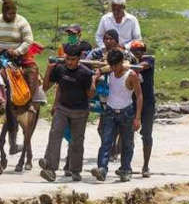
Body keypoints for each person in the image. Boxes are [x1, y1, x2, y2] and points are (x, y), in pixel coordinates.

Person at [39, 43, 95, 182]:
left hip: (80, 111)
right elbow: (45, 88)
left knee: (77, 141)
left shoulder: (85, 73)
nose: (69, 62)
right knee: (55, 135)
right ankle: (51, 169)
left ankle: (75, 170)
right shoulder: (59, 69)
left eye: (73, 59)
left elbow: (90, 95)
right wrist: (48, 70)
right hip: (62, 108)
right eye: (67, 59)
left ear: (79, 58)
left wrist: (94, 81)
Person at [90, 49, 143, 182]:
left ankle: (126, 169)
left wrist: (137, 118)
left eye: (115, 65)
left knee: (127, 143)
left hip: (126, 112)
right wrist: (97, 74)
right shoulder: (111, 70)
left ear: (121, 63)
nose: (114, 68)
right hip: (110, 111)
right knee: (106, 141)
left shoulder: (131, 75)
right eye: (111, 66)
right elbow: (101, 70)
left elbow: (139, 96)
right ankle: (102, 168)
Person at [0, 0, 43, 107]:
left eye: (14, 13)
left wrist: (17, 51)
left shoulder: (22, 21)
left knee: (32, 70)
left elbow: (28, 40)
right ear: (4, 12)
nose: (12, 15)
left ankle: (29, 102)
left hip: (17, 56)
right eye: (10, 13)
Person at [129, 40, 154, 178]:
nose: (138, 52)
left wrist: (128, 65)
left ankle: (145, 166)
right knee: (128, 133)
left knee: (147, 135)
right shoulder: (129, 63)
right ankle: (127, 165)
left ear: (144, 51)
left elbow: (141, 66)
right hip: (132, 102)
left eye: (140, 50)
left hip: (148, 103)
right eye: (134, 50)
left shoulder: (149, 60)